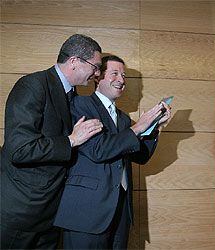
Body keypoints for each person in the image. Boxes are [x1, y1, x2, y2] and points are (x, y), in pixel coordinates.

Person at [54, 55, 171, 249]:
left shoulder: (124, 119)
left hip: (120, 211)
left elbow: (140, 156)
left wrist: (154, 128)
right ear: (98, 77)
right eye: (115, 73)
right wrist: (138, 128)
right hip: (86, 213)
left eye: (124, 75)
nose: (121, 80)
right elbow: (98, 150)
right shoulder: (81, 105)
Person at [1, 34, 104, 249]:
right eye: (95, 67)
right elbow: (19, 149)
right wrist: (71, 140)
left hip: (52, 215)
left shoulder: (74, 96)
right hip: (21, 213)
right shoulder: (33, 85)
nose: (97, 74)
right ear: (75, 61)